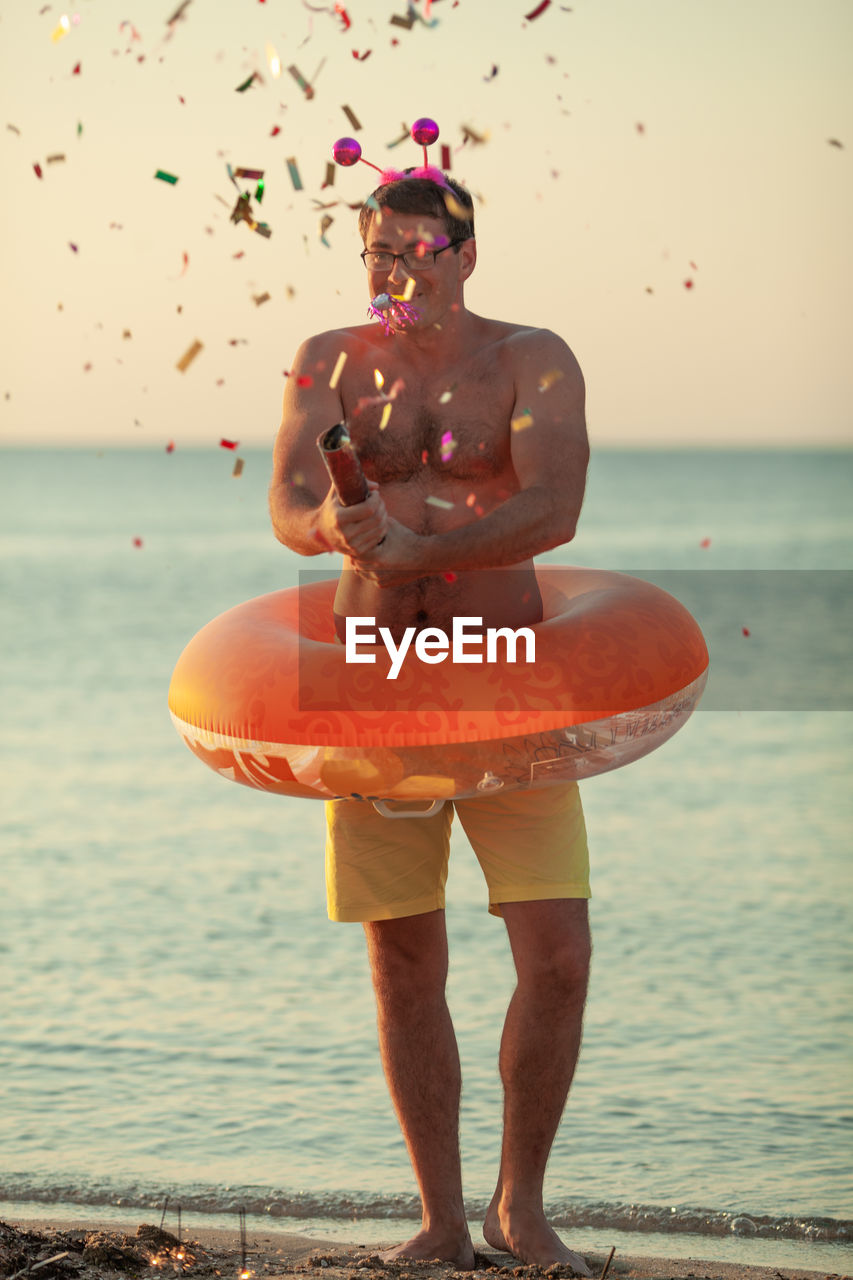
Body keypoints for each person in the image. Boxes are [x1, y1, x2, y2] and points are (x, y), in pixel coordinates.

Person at [269, 168, 592, 1274]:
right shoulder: (328, 359)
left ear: (464, 255)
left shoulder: (532, 357)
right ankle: (442, 1222)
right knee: (405, 961)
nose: (392, 271)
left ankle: (522, 1206)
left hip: (506, 677)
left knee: (557, 954)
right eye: (376, 252)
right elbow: (284, 508)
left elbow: (554, 503)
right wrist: (331, 519)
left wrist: (429, 549)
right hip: (374, 679)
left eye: (414, 250)